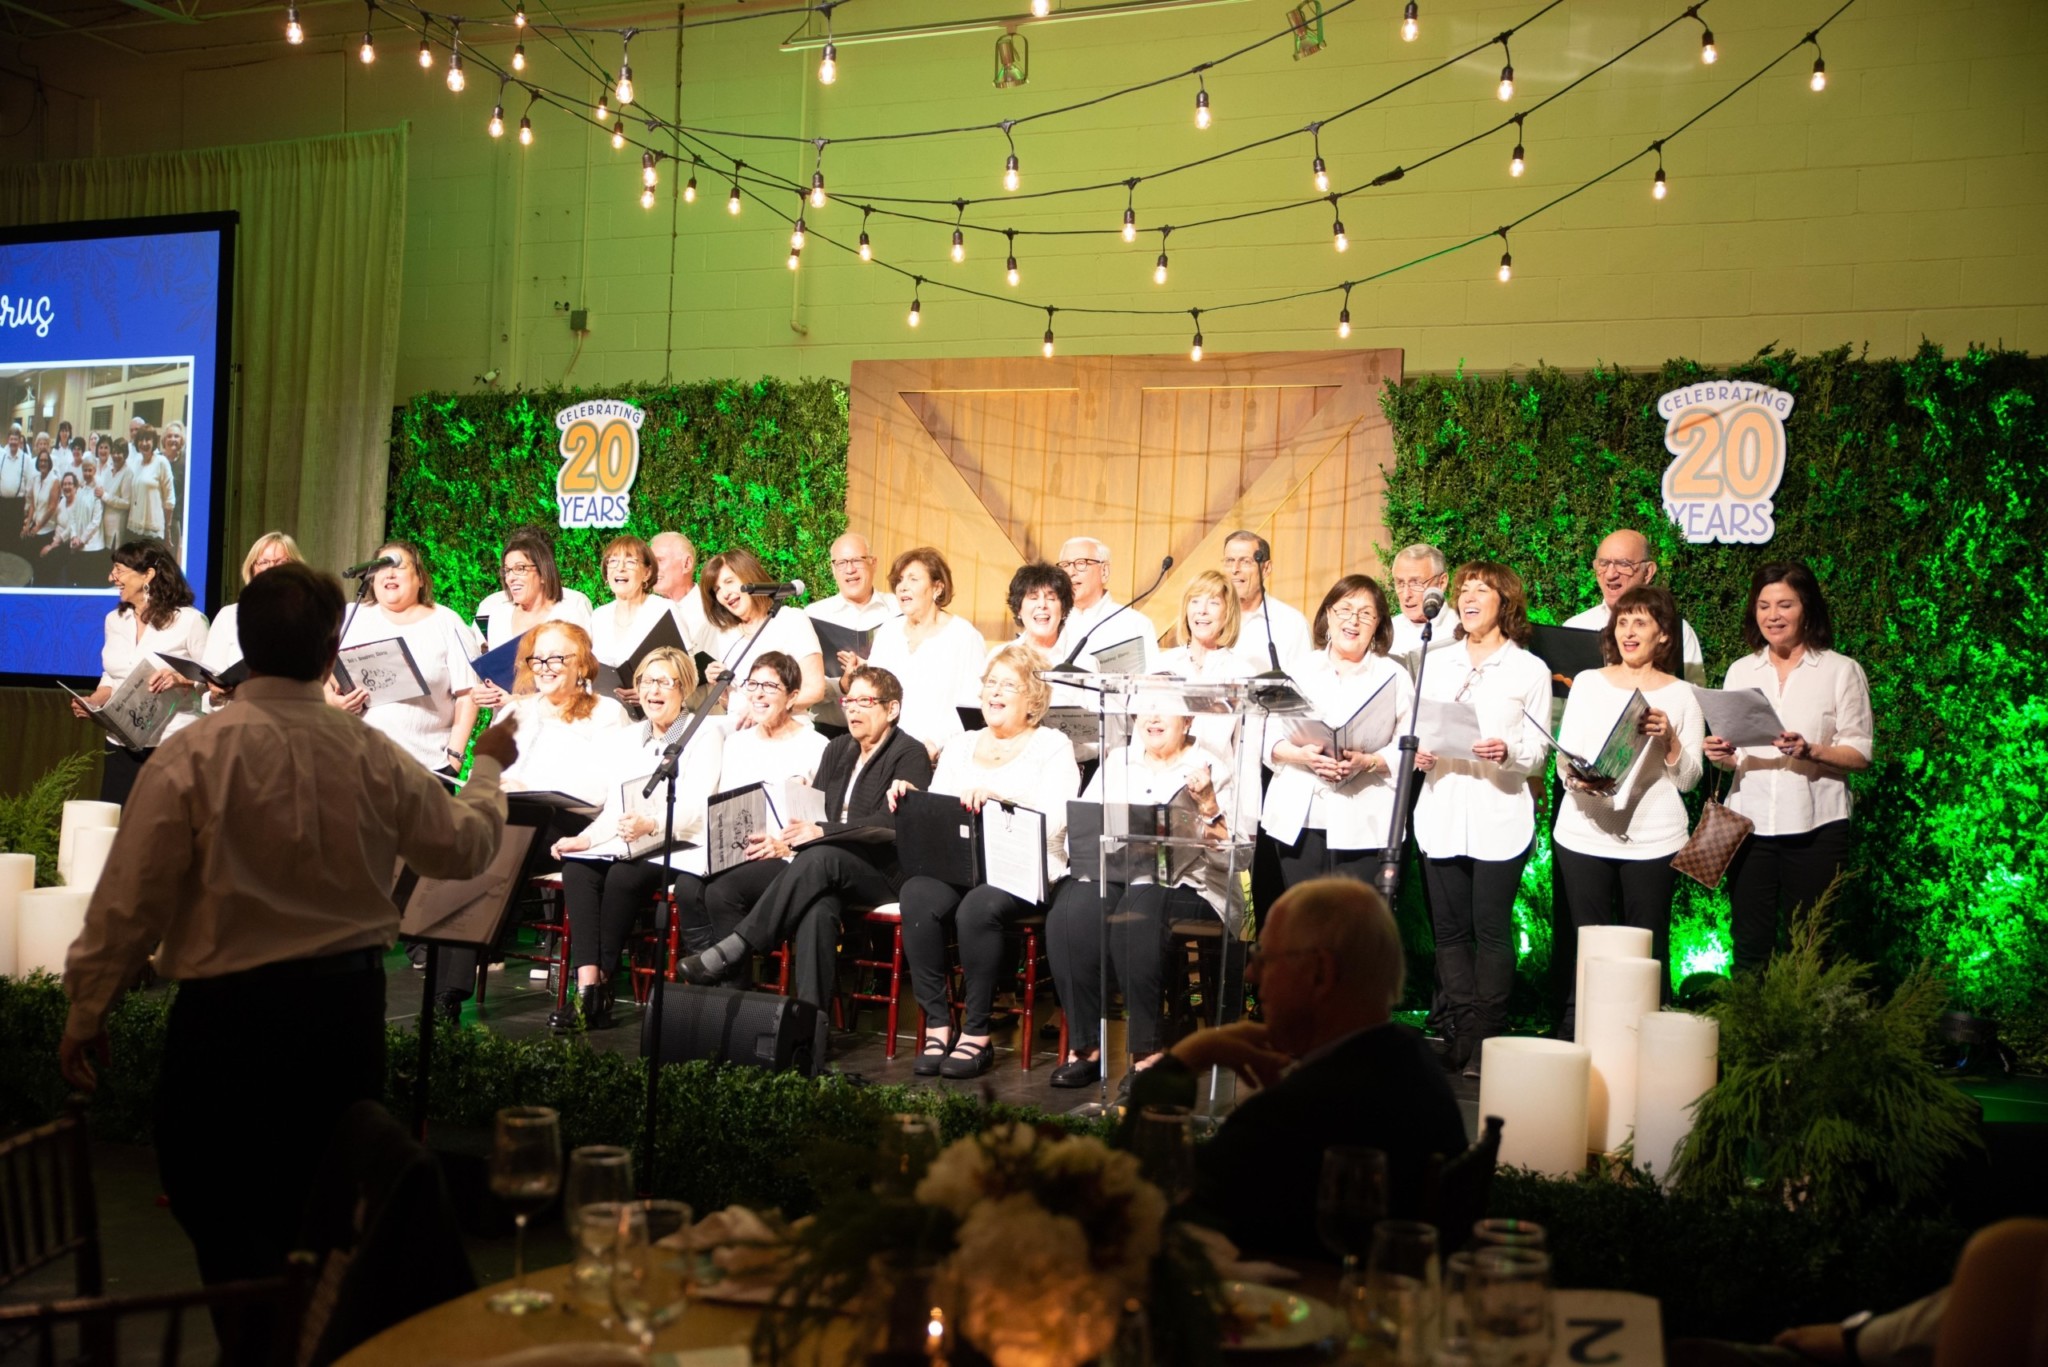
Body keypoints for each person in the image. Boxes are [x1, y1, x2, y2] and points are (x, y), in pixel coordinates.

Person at [58, 562, 519, 1319]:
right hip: (341, 1021)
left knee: (221, 1215)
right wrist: (490, 768)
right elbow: (464, 849)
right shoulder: (369, 753)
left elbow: (128, 900)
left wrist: (88, 1005)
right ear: (330, 648)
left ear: (248, 642)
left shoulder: (195, 753)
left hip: (224, 1025)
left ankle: (255, 1337)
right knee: (325, 1225)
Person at [1124, 877, 1466, 1260]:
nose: (1251, 975)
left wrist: (1186, 1058)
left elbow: (1130, 1206)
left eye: (1265, 959)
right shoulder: (1412, 1062)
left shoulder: (1297, 1115)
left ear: (1320, 973)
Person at [679, 664, 933, 1012]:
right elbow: (815, 810)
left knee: (821, 858)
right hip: (825, 864)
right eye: (849, 701)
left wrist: (821, 833)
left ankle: (737, 948)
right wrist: (791, 839)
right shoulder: (839, 748)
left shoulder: (909, 752)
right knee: (805, 907)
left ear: (892, 709)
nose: (854, 709)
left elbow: (891, 825)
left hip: (881, 870)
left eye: (865, 701)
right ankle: (810, 1028)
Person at [894, 644, 1081, 1080]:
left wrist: (1001, 804)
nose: (994, 693)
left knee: (979, 906)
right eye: (990, 683)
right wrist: (912, 799)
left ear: (1033, 699)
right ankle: (939, 1024)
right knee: (917, 893)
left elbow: (1056, 823)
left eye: (1008, 685)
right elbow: (941, 812)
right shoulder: (961, 745)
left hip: (1023, 868)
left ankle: (977, 1034)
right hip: (962, 864)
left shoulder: (1053, 745)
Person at [1046, 703, 1235, 1090]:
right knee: (1071, 909)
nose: (1152, 717)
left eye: (1163, 709)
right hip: (1118, 873)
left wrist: (1209, 805)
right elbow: (1089, 821)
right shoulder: (1118, 760)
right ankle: (1086, 1047)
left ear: (1187, 720)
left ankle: (1148, 1051)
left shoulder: (1212, 764)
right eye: (1144, 708)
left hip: (1191, 883)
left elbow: (1234, 853)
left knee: (1140, 907)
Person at [1412, 561, 1552, 1075]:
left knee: (1491, 930)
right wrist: (1420, 754)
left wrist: (1507, 751)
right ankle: (1461, 1029)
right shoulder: (1436, 660)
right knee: (1448, 933)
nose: (1469, 598)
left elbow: (1540, 753)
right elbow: (1421, 730)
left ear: (1505, 602)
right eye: (1463, 590)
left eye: (1481, 590)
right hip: (1442, 808)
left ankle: (1486, 1035)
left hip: (1499, 813)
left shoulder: (1528, 670)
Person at [1706, 562, 1873, 976]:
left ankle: (1805, 1040)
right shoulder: (1742, 670)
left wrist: (1811, 750)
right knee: (1748, 944)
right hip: (1750, 824)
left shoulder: (1840, 670)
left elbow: (1861, 753)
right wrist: (1721, 753)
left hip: (1817, 825)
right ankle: (1749, 1037)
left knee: (1811, 949)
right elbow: (1737, 757)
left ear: (1807, 608)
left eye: (1785, 604)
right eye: (1763, 606)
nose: (1772, 615)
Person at [1551, 585, 1703, 1031]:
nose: (1629, 632)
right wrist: (1574, 777)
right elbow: (1566, 754)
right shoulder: (1588, 682)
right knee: (1590, 944)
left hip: (1654, 838)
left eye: (1641, 623)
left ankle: (1645, 1035)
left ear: (1664, 636)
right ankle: (1586, 1034)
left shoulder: (1682, 693)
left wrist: (1670, 739)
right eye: (1622, 621)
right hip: (1583, 829)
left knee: (1647, 946)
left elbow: (1688, 780)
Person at [550, 647, 725, 1030]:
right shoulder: (628, 739)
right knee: (578, 869)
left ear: (685, 689)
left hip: (679, 842)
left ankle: (603, 984)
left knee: (622, 877)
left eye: (664, 682)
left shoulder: (704, 733)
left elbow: (698, 807)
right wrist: (585, 838)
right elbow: (616, 807)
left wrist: (652, 825)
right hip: (629, 839)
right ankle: (588, 988)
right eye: (647, 681)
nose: (653, 690)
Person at [668, 651, 831, 962]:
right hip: (733, 848)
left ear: (792, 696)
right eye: (752, 684)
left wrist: (784, 845)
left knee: (720, 893)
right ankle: (705, 978)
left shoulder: (816, 746)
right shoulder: (736, 743)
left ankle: (732, 988)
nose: (758, 694)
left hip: (781, 853)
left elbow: (819, 819)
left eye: (770, 687)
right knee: (687, 887)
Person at [1261, 575, 1413, 888]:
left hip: (1367, 819)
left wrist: (1368, 761)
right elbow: (1267, 736)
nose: (1353, 621)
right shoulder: (1299, 669)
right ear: (1328, 614)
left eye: (1366, 614)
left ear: (1379, 624)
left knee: (1355, 928)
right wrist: (1302, 756)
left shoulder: (1393, 675)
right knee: (1304, 921)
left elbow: (1408, 745)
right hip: (1299, 817)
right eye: (1345, 610)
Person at [70, 538, 211, 803]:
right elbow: (112, 675)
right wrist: (94, 701)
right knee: (119, 829)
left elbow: (213, 679)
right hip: (121, 745)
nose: (112, 577)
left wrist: (179, 679)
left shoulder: (189, 621)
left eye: (119, 570)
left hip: (173, 745)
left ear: (148, 574)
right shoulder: (114, 620)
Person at [328, 541, 483, 774]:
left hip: (425, 767)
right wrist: (332, 700)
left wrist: (455, 757)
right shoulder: (351, 616)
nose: (389, 572)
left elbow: (468, 694)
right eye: (381, 566)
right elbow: (319, 674)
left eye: (399, 566)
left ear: (420, 578)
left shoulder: (446, 622)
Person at [863, 547, 987, 761]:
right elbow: (871, 693)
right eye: (900, 580)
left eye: (913, 579)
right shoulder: (888, 632)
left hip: (939, 754)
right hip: (885, 750)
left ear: (937, 588)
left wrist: (936, 743)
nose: (903, 587)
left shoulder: (964, 636)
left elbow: (973, 703)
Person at [494, 621, 632, 801]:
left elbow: (602, 788)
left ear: (581, 666)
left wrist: (527, 792)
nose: (544, 666)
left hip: (563, 822)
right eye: (538, 658)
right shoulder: (514, 710)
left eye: (555, 658)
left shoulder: (606, 713)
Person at [1563, 529, 1706, 685]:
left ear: (1648, 572)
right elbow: (1559, 703)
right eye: (1603, 564)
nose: (1610, 574)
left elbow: (1695, 698)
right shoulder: (1574, 627)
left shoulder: (1676, 631)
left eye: (1623, 564)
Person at [699, 548, 827, 712]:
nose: (724, 593)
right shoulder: (726, 634)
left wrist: (766, 712)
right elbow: (731, 703)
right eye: (717, 590)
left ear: (749, 576)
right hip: (738, 731)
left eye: (729, 582)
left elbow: (815, 690)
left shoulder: (791, 620)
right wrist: (720, 686)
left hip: (783, 730)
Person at [201, 532, 301, 708]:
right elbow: (210, 688)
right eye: (264, 562)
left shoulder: (310, 614)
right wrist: (217, 694)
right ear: (252, 569)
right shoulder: (229, 616)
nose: (272, 568)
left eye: (281, 562)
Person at [586, 533, 672, 703]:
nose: (620, 568)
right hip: (608, 715)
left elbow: (687, 668)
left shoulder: (662, 609)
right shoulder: (598, 616)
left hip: (655, 713)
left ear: (647, 572)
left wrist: (651, 691)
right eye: (613, 561)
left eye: (630, 562)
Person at [1054, 536, 1157, 672]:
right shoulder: (1051, 621)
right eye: (1065, 565)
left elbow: (1151, 683)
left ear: (1104, 571)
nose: (1071, 572)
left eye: (1081, 563)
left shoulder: (1136, 624)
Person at [1222, 530, 1313, 674]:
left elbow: (1303, 684)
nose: (1235, 570)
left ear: (1266, 569)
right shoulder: (1208, 618)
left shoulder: (1292, 623)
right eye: (1229, 561)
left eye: (1245, 561)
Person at [806, 532, 901, 630]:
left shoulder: (899, 608)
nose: (850, 570)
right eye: (841, 563)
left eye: (857, 560)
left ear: (873, 564)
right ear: (833, 569)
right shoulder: (815, 615)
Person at [1388, 543, 1458, 658]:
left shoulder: (1460, 629)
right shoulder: (1387, 631)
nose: (1406, 594)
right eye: (1400, 583)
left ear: (1442, 583)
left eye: (1416, 583)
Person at [651, 531, 710, 650]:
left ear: (687, 564)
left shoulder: (713, 609)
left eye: (660, 560)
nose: (652, 568)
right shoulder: (650, 613)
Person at [43, 472, 103, 585]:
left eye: (70, 484)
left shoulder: (78, 502)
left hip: (67, 545)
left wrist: (52, 546)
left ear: (75, 487)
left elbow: (70, 529)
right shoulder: (62, 501)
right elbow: (54, 521)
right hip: (56, 539)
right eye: (64, 484)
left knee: (50, 558)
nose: (66, 487)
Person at [128, 426, 176, 543]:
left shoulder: (161, 462)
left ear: (154, 442)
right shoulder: (136, 461)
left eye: (147, 439)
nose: (144, 443)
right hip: (134, 527)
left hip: (153, 529)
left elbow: (169, 499)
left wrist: (167, 529)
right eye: (141, 439)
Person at [0, 425, 28, 560]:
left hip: (17, 506)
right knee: (2, 538)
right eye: (11, 439)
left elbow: (29, 485)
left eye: (16, 439)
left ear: (19, 441)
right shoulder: (1, 456)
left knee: (15, 541)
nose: (13, 442)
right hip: (2, 505)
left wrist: (26, 510)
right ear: (8, 440)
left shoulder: (25, 459)